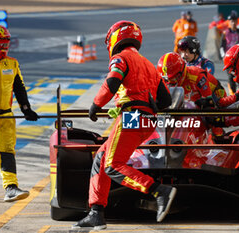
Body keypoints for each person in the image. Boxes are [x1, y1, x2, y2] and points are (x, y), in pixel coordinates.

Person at [72, 20, 174, 231]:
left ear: (115, 38)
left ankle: (158, 191)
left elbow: (112, 82)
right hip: (146, 119)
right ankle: (96, 213)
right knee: (101, 158)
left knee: (112, 165)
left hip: (132, 116)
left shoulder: (120, 58)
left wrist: (95, 105)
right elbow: (166, 102)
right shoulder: (148, 64)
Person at [0, 24, 39, 203]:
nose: (1, 49)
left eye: (5, 44)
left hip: (6, 116)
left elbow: (19, 88)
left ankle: (11, 187)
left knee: (7, 151)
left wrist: (26, 109)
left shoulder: (12, 63)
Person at [157, 52, 225, 104]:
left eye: (173, 78)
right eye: (166, 79)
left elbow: (209, 101)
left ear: (182, 70)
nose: (170, 82)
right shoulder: (164, 81)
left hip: (215, 96)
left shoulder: (197, 76)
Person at [220, 13, 239, 94]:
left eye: (234, 21)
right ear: (229, 22)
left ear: (237, 22)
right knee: (230, 76)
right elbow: (221, 46)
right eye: (231, 21)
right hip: (229, 58)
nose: (233, 23)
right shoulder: (225, 33)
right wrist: (223, 56)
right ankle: (232, 93)